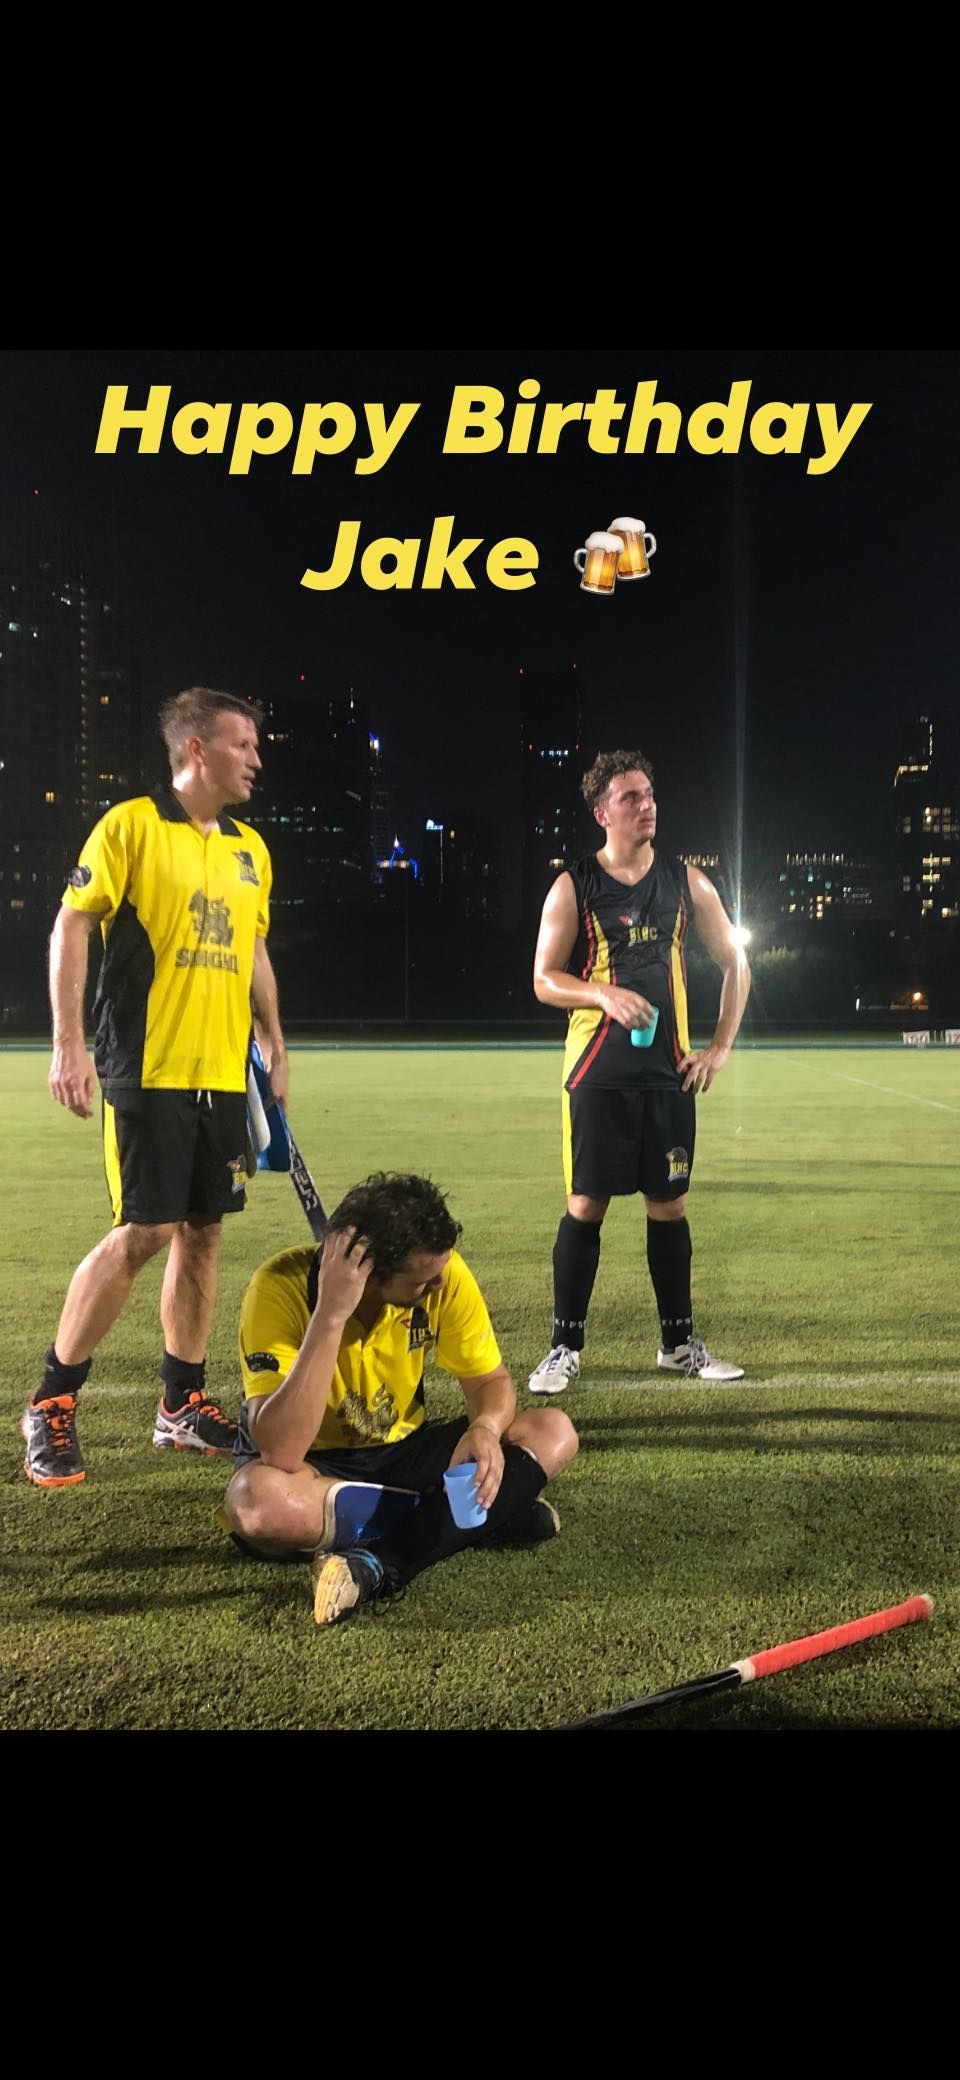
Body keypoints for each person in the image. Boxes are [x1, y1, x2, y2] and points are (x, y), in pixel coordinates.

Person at [22, 686, 288, 1487]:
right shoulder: (130, 826)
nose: (257, 759)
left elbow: (253, 950)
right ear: (197, 749)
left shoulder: (250, 848)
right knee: (145, 1230)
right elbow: (72, 923)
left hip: (222, 1074)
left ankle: (181, 1404)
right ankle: (52, 1399)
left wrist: (274, 1039)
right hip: (147, 1067)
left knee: (203, 1231)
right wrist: (68, 1043)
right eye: (243, 744)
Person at [218, 1172, 578, 1626]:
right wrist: (330, 1314)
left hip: (405, 1450)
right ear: (369, 1275)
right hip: (311, 1466)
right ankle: (471, 1519)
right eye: (421, 1281)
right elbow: (281, 1450)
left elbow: (490, 1381)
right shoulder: (277, 1287)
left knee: (552, 1431)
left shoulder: (443, 1272)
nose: (438, 1284)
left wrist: (485, 1428)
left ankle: (379, 1564)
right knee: (256, 1503)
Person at [528, 749, 751, 1393]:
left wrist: (719, 1049)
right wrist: (602, 994)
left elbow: (736, 963)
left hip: (668, 1073)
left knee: (669, 1206)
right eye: (631, 797)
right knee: (585, 1206)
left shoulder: (687, 883)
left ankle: (678, 1345)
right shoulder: (574, 885)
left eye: (649, 794)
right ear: (602, 812)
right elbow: (544, 979)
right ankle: (564, 1348)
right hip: (596, 1071)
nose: (647, 805)